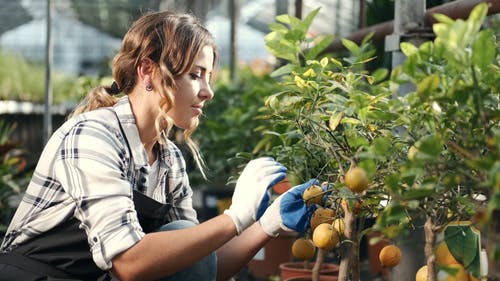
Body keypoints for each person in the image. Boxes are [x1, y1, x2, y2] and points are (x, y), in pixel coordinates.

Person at [0, 10, 318, 281]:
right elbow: (129, 263)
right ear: (148, 71)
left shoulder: (169, 161)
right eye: (196, 75)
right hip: (35, 275)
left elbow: (200, 266)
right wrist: (234, 217)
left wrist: (266, 224)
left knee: (181, 232)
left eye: (209, 78)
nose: (208, 92)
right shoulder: (93, 135)